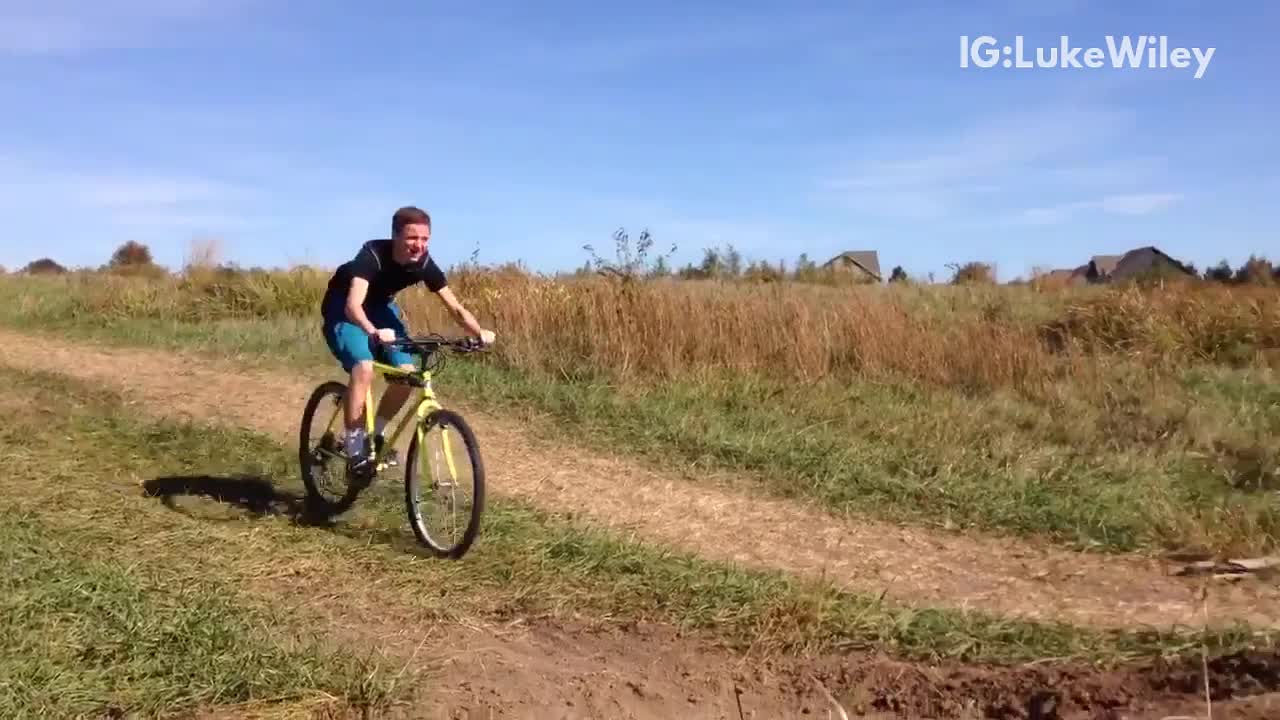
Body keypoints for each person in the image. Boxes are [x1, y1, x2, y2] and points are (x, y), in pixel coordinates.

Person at [319, 205, 495, 471]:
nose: (419, 245)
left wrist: (478, 332)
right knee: (364, 366)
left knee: (407, 374)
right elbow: (353, 306)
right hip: (345, 307)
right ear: (396, 236)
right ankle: (354, 448)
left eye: (425, 239)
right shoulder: (373, 255)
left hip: (380, 308)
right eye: (412, 238)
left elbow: (456, 308)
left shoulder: (424, 264)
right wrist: (372, 332)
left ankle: (373, 436)